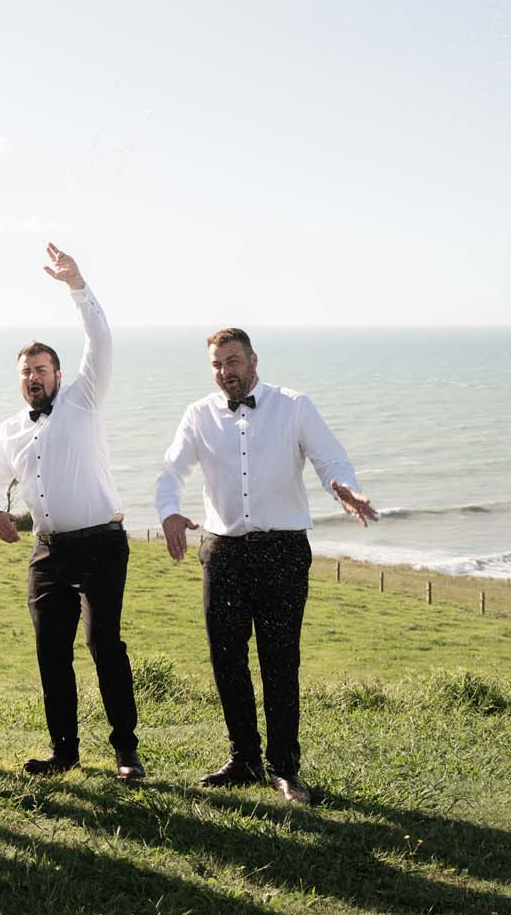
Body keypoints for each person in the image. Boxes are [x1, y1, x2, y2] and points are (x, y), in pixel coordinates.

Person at [156, 327, 377, 806]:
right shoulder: (198, 415)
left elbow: (329, 458)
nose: (225, 372)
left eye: (232, 361)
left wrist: (343, 487)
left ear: (253, 360)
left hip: (282, 551)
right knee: (227, 660)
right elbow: (171, 470)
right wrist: (170, 511)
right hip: (225, 553)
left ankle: (285, 768)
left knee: (280, 661)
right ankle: (243, 758)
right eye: (216, 364)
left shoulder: (294, 405)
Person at [0, 244, 145, 781]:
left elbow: (100, 339)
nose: (33, 377)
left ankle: (127, 751)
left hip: (102, 543)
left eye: (41, 368)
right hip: (48, 552)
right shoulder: (10, 430)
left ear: (58, 373)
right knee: (51, 652)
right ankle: (64, 752)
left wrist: (78, 284)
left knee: (104, 644)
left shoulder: (85, 398)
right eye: (26, 372)